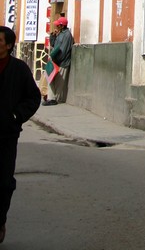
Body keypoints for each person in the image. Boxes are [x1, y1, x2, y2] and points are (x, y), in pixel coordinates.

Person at [0, 25, 41, 244]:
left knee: (4, 182)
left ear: (8, 45)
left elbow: (34, 97)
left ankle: (0, 219)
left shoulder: (19, 70)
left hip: (6, 135)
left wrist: (16, 116)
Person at [42, 16, 73, 105]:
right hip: (55, 61)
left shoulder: (67, 35)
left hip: (62, 62)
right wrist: (53, 36)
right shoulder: (60, 33)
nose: (56, 27)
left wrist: (56, 59)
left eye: (58, 25)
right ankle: (51, 98)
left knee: (59, 82)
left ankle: (55, 99)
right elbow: (53, 45)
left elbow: (63, 50)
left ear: (62, 26)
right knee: (50, 79)